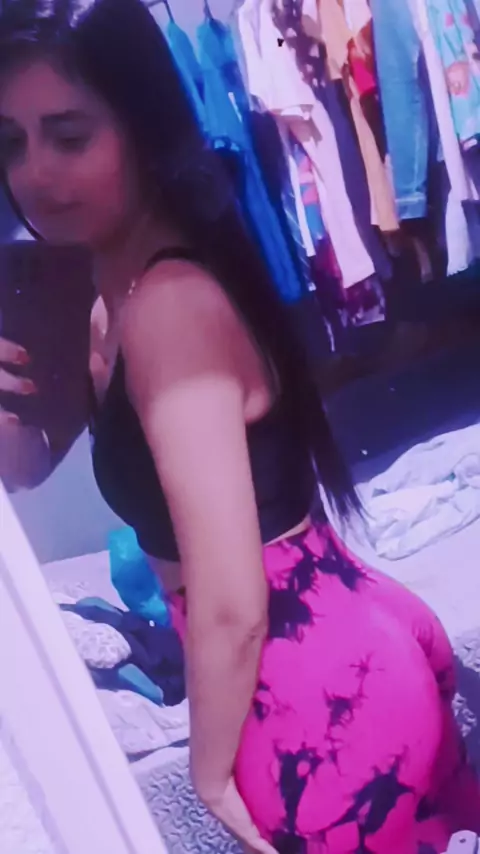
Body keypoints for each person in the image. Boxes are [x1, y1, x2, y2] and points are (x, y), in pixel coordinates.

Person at [0, 1, 478, 851]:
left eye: (69, 136)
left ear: (143, 132)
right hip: (340, 652)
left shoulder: (167, 311)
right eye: (10, 143)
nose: (35, 172)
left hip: (312, 693)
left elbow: (230, 600)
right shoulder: (115, 301)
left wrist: (208, 771)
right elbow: (27, 466)